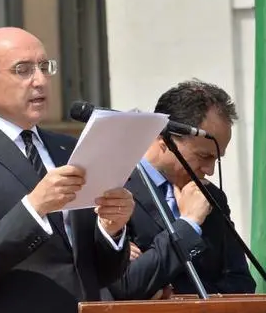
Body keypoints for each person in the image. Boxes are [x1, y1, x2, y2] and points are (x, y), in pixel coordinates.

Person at [0, 27, 134, 313]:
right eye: (22, 70)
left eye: (44, 67)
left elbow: (101, 272)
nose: (39, 81)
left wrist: (112, 229)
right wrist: (35, 207)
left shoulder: (68, 149)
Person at [107, 79, 256, 299]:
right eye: (203, 156)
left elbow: (242, 284)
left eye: (217, 159)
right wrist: (188, 224)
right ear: (163, 138)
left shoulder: (210, 197)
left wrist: (178, 296)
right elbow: (124, 284)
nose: (210, 170)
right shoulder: (114, 190)